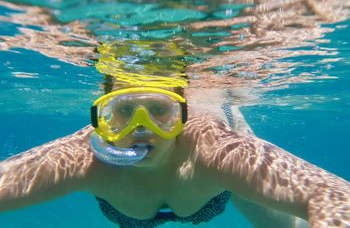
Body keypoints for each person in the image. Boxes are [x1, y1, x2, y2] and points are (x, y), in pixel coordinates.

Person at [0, 82, 349, 228]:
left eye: (158, 110)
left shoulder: (215, 149)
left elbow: (336, 197)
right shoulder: (80, 156)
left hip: (218, 183)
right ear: (102, 119)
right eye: (123, 112)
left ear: (181, 117)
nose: (141, 128)